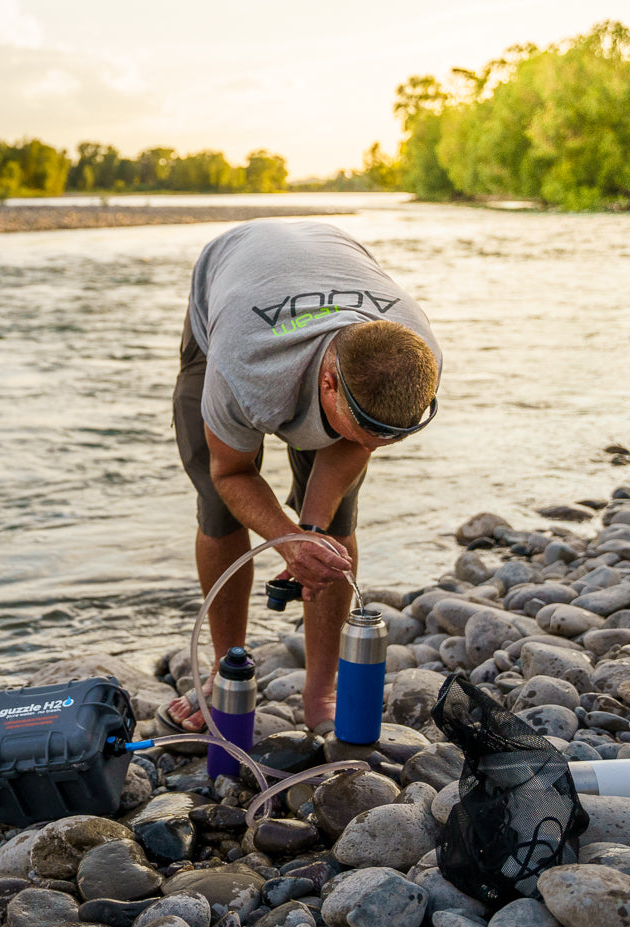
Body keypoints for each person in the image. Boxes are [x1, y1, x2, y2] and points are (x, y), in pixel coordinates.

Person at [162, 219, 441, 736]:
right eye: (368, 430)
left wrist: (309, 531)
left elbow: (357, 443)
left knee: (334, 528)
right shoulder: (243, 368)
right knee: (220, 509)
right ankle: (229, 675)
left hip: (327, 256)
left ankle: (323, 691)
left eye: (394, 436)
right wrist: (286, 540)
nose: (375, 447)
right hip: (232, 281)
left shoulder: (413, 353)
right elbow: (232, 471)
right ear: (330, 384)